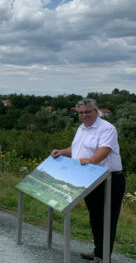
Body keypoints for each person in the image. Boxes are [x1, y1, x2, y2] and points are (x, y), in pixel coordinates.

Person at [51, 99, 125, 262]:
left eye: (87, 112)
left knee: (108, 219)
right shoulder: (82, 128)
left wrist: (91, 161)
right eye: (81, 113)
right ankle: (98, 251)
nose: (84, 115)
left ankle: (103, 256)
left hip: (109, 180)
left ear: (96, 111)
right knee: (95, 217)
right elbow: (77, 149)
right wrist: (62, 152)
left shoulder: (107, 128)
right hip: (90, 178)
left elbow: (104, 150)